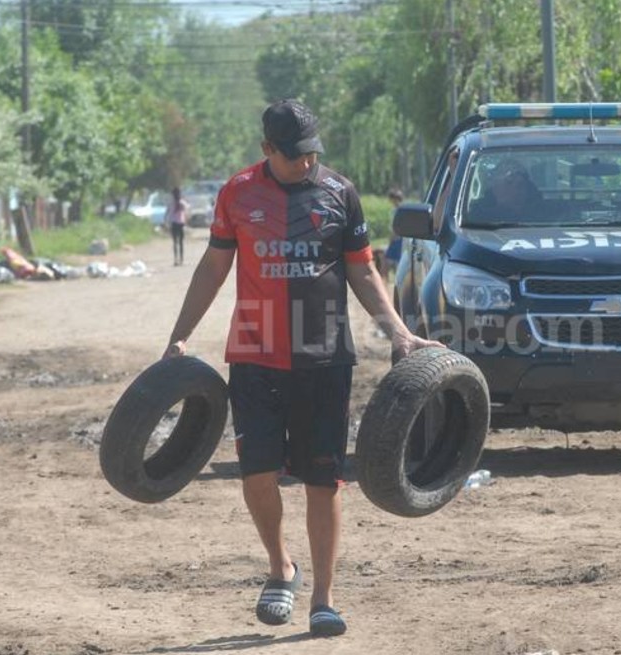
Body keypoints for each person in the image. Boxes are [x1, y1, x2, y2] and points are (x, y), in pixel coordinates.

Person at [162, 99, 438, 638]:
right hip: (254, 354)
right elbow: (214, 268)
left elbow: (362, 273)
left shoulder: (340, 193)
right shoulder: (237, 193)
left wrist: (398, 332)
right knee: (257, 472)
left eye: (312, 154)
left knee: (323, 480)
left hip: (324, 355)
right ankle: (280, 567)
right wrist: (179, 335)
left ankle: (324, 598)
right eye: (294, 157)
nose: (306, 164)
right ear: (267, 149)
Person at [469, 158, 547, 222]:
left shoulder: (545, 216)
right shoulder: (477, 216)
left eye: (520, 185)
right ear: (494, 187)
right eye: (509, 183)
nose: (516, 191)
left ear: (528, 189)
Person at [381, 188, 404, 282]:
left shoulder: (398, 211)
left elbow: (397, 227)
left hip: (397, 239)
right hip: (399, 239)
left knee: (386, 261)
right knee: (396, 262)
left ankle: (385, 281)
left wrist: (391, 238)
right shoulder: (399, 210)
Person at [166, 187, 190, 266]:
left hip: (174, 224)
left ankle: (176, 259)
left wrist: (167, 222)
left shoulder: (171, 203)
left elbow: (167, 213)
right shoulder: (182, 203)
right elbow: (187, 214)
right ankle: (181, 259)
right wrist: (186, 222)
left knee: (175, 242)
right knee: (181, 243)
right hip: (181, 224)